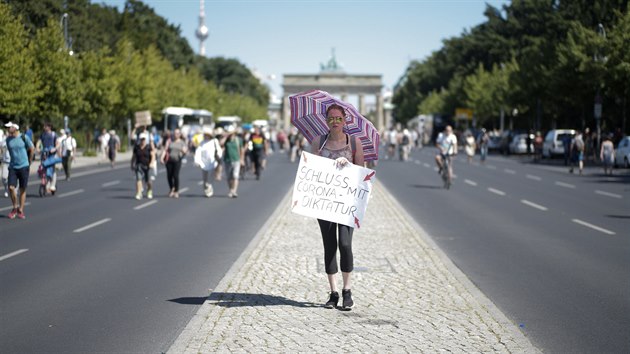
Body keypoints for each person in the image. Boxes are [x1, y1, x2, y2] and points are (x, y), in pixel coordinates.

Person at [311, 103, 365, 311]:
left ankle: (347, 290)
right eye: (331, 118)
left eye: (338, 118)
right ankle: (333, 292)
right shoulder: (318, 142)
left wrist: (348, 164)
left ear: (345, 120)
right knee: (329, 246)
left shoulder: (354, 143)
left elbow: (362, 173)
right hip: (324, 203)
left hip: (347, 203)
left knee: (345, 243)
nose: (335, 122)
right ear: (326, 120)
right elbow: (313, 171)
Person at [4, 122, 34, 219]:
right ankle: (14, 207)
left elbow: (31, 148)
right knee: (11, 188)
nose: (8, 129)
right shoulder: (8, 140)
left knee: (22, 189)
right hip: (13, 167)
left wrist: (30, 160)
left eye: (9, 127)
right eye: (7, 128)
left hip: (24, 166)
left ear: (15, 128)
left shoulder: (23, 137)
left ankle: (20, 210)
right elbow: (10, 151)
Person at [193, 128, 222, 197]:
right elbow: (198, 152)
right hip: (204, 163)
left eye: (207, 135)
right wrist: (197, 161)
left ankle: (209, 189)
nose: (206, 136)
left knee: (210, 177)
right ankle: (207, 189)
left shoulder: (214, 141)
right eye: (205, 135)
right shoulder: (202, 143)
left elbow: (218, 150)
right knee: (204, 179)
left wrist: (219, 156)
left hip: (212, 162)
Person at [161, 128, 188, 198]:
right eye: (175, 133)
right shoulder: (169, 141)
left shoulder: (182, 142)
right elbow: (165, 150)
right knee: (169, 176)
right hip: (169, 160)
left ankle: (176, 191)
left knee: (175, 175)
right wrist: (161, 158)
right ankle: (171, 188)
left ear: (180, 134)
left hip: (177, 160)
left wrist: (183, 151)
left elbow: (185, 151)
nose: (176, 135)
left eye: (177, 133)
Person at [220, 126, 244, 198]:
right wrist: (226, 136)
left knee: (235, 176)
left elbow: (241, 150)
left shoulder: (238, 140)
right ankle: (231, 189)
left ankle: (234, 191)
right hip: (227, 160)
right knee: (229, 177)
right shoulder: (226, 140)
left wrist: (242, 159)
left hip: (236, 160)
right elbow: (221, 143)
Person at [131, 132, 154, 200]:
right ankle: (139, 192)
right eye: (141, 139)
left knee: (148, 181)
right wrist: (132, 164)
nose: (142, 140)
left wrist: (151, 163)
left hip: (147, 166)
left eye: (144, 139)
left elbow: (153, 155)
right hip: (139, 165)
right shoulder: (137, 147)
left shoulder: (148, 147)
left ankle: (149, 190)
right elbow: (134, 156)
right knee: (139, 179)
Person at [38, 122, 59, 193]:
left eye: (45, 126)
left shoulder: (53, 134)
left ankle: (53, 185)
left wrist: (55, 148)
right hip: (44, 154)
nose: (44, 127)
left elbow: (58, 143)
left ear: (49, 127)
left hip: (52, 155)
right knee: (43, 169)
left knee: (52, 169)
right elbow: (39, 142)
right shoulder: (42, 134)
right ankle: (46, 183)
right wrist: (37, 148)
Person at [1, 128, 10, 197]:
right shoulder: (3, 141)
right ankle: (6, 189)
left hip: (13, 162)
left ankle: (14, 189)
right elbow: (1, 149)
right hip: (5, 162)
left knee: (13, 178)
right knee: (4, 178)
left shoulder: (14, 140)